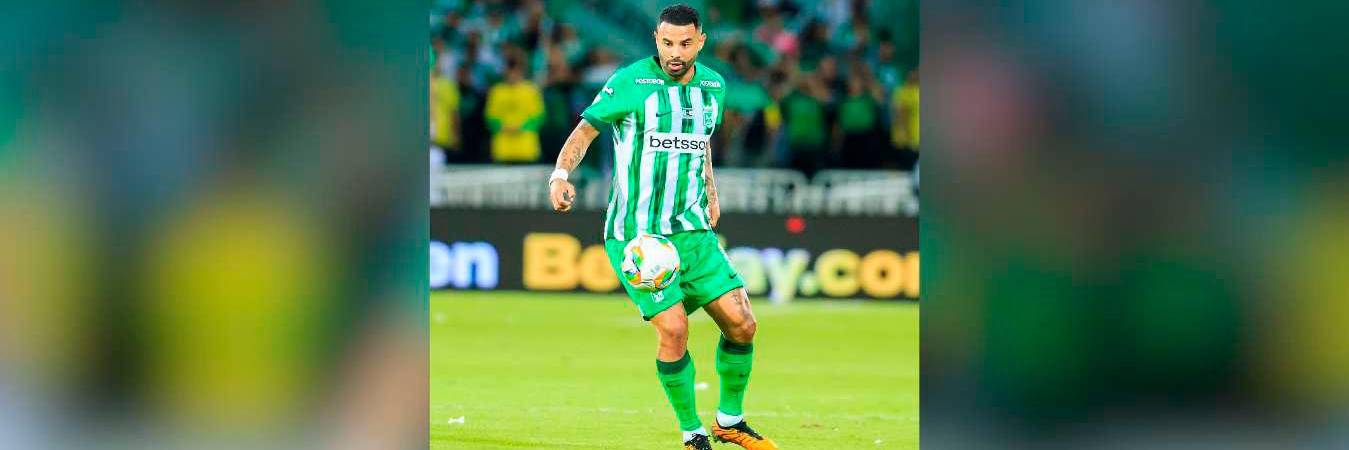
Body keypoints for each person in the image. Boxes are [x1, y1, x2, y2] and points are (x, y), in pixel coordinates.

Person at [545, 4, 777, 450]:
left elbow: (701, 144)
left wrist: (711, 191)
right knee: (673, 329)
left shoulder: (714, 85)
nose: (676, 52)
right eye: (668, 43)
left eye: (685, 43)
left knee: (744, 325)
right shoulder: (631, 82)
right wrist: (560, 175)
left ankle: (730, 421)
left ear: (701, 41)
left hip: (692, 232)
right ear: (656, 39)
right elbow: (584, 132)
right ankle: (692, 433)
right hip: (638, 236)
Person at [484, 57, 544, 163]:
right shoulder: (496, 91)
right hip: (502, 150)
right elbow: (489, 117)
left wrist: (521, 127)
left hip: (526, 149)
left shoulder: (531, 90)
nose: (512, 74)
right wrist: (502, 127)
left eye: (515, 70)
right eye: (510, 70)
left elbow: (539, 116)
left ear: (521, 71)